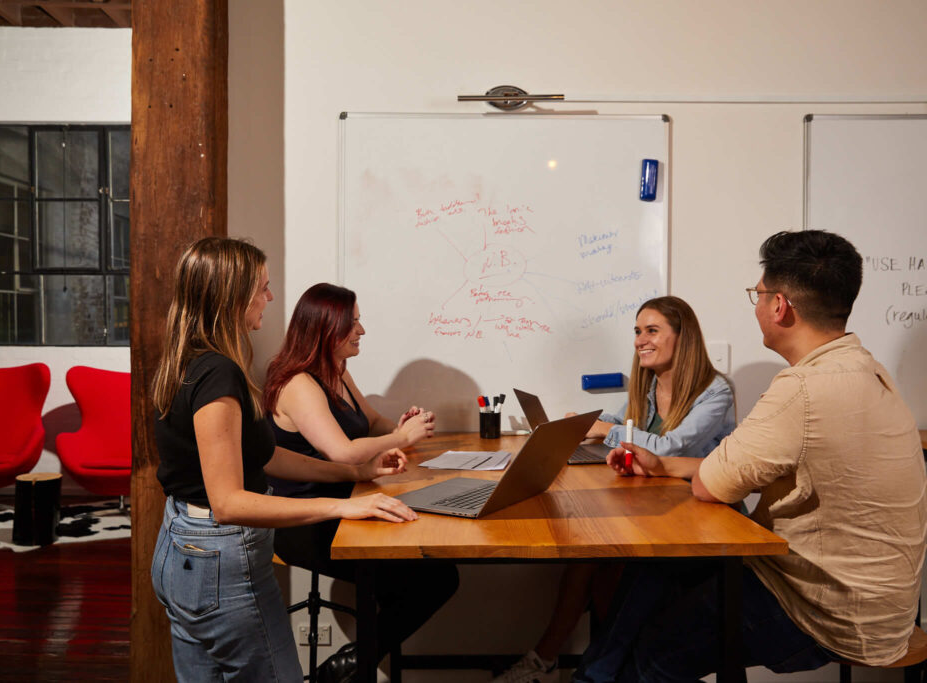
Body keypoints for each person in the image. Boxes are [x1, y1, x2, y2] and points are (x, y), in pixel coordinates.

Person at [575, 230, 927, 682]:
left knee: (655, 651)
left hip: (826, 609)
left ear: (779, 306)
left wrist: (674, 464)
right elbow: (742, 466)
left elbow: (710, 484)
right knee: (658, 576)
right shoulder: (867, 370)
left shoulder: (799, 389)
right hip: (885, 606)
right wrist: (662, 465)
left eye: (757, 295)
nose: (756, 306)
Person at [150, 238, 419, 682]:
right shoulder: (218, 373)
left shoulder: (190, 362)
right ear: (232, 297)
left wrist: (356, 473)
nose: (270, 299)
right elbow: (229, 503)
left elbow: (269, 456)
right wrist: (343, 504)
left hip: (183, 549)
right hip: (219, 555)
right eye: (262, 288)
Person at [493, 296, 736, 683]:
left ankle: (586, 672)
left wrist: (607, 430)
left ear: (682, 336)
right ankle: (549, 663)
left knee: (624, 567)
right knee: (587, 557)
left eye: (652, 330)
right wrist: (582, 422)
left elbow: (671, 448)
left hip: (705, 521)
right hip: (659, 511)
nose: (641, 339)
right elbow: (620, 420)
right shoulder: (651, 385)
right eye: (638, 332)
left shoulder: (715, 393)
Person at [263, 282, 460, 682]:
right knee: (438, 578)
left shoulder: (337, 370)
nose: (362, 330)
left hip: (351, 501)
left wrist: (402, 428)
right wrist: (400, 439)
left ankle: (358, 663)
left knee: (421, 568)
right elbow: (343, 451)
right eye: (353, 322)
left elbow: (370, 422)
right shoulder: (299, 384)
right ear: (325, 328)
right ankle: (351, 665)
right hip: (307, 519)